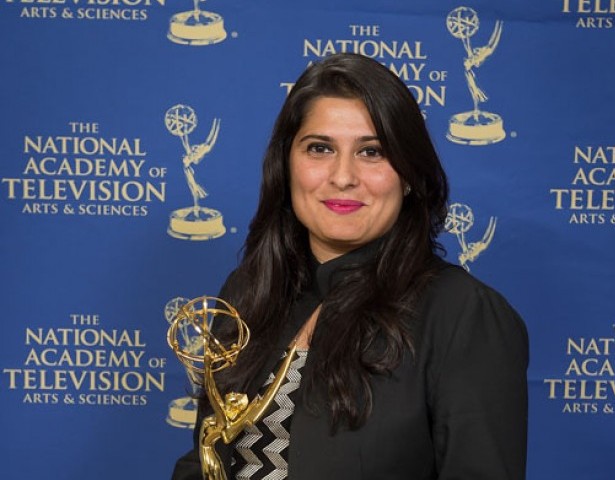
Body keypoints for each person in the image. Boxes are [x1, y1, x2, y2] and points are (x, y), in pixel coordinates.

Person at [172, 53, 528, 480]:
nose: (343, 176)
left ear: (410, 174)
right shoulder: (249, 290)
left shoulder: (463, 315)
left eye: (372, 151)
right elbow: (205, 457)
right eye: (320, 148)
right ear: (287, 165)